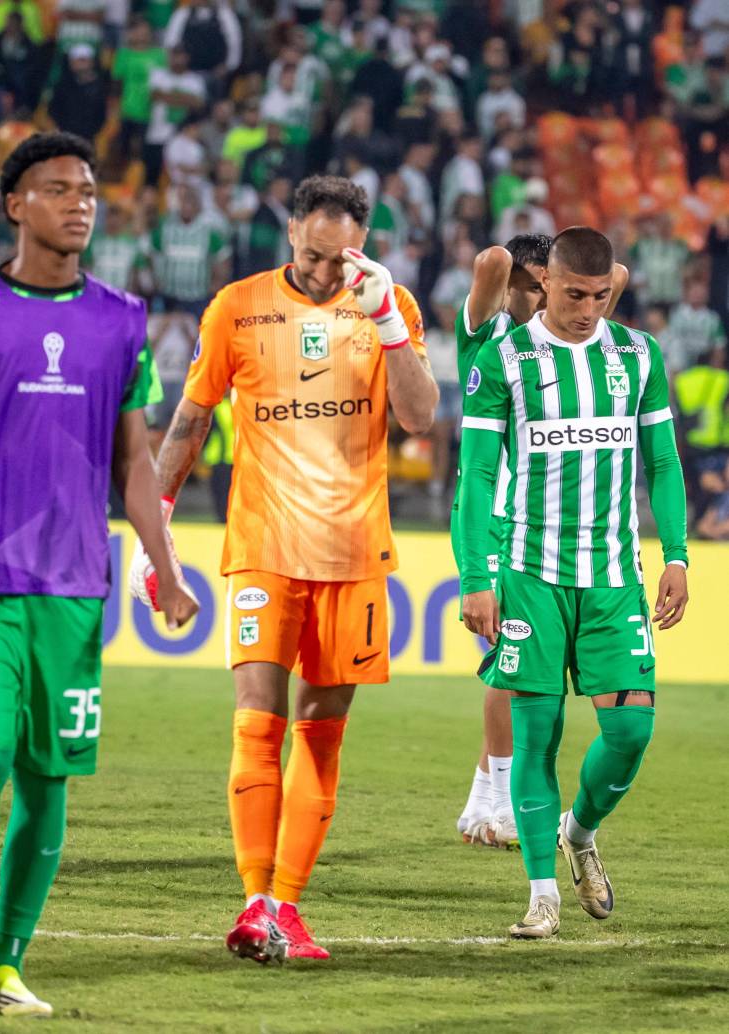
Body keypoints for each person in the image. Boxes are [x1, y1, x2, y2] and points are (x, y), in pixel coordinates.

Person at [0, 132, 199, 1016]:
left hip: (75, 587)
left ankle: (11, 961)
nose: (81, 203)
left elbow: (134, 461)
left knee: (48, 777)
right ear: (15, 205)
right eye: (59, 190)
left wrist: (162, 564)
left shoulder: (122, 318)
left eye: (89, 190)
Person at [130, 175, 438, 962]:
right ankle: (255, 899)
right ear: (291, 229)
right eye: (313, 252)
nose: (328, 271)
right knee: (256, 718)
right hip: (265, 542)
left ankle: (288, 908)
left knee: (321, 732)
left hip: (353, 550)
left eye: (343, 258)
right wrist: (154, 534)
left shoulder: (387, 305)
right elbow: (191, 419)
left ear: (362, 245)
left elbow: (421, 418)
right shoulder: (236, 305)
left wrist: (389, 328)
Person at [458, 227, 689, 939]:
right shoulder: (504, 357)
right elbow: (477, 475)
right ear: (546, 284)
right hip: (529, 575)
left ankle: (579, 830)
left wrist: (677, 553)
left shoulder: (637, 355)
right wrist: (477, 576)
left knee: (629, 731)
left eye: (599, 295)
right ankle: (541, 894)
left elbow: (664, 462)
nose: (587, 309)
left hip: (615, 576)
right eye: (573, 294)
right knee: (538, 736)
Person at [452, 235, 630, 851]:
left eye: (542, 285)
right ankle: (498, 798)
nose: (538, 297)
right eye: (532, 286)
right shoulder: (486, 335)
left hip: (539, 520)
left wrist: (568, 282)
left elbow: (619, 275)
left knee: (511, 666)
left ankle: (484, 799)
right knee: (511, 663)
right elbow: (491, 263)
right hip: (499, 518)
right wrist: (521, 278)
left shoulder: (572, 342)